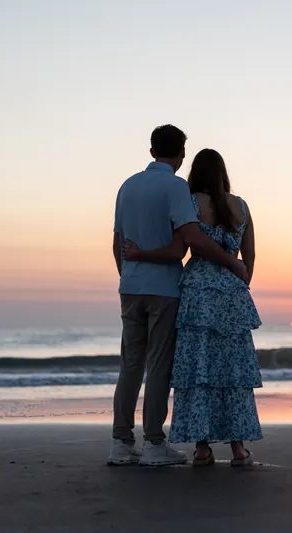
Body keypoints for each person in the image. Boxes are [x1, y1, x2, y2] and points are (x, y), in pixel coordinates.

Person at [108, 126, 249, 467]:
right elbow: (191, 241)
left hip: (131, 287)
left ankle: (121, 442)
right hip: (164, 290)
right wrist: (233, 262)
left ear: (152, 148)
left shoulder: (127, 185)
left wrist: (130, 274)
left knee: (130, 364)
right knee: (158, 366)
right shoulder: (175, 187)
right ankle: (155, 443)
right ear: (181, 152)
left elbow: (116, 243)